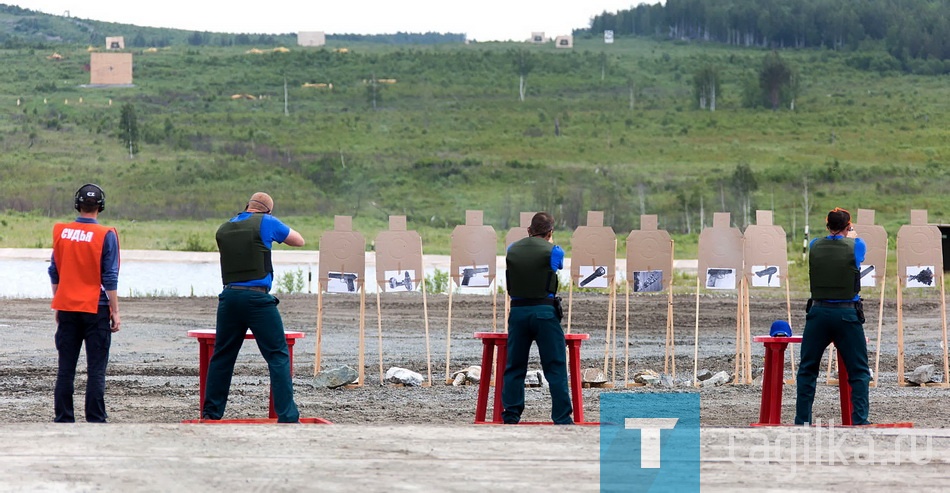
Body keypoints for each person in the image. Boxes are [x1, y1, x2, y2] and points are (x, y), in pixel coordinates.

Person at [202, 192, 305, 423]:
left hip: (228, 298)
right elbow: (298, 240)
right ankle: (287, 416)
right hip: (258, 300)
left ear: (247, 206)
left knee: (222, 357)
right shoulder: (267, 222)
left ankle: (211, 414)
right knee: (278, 356)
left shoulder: (224, 228)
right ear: (267, 210)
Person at [49, 183, 121, 423]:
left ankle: (63, 416)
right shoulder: (106, 234)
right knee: (96, 369)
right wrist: (115, 311)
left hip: (68, 307)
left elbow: (54, 271)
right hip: (96, 307)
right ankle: (95, 417)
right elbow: (109, 277)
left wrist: (58, 301)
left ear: (77, 204)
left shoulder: (61, 231)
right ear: (100, 206)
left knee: (66, 368)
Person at [795, 207, 871, 425]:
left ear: (827, 225)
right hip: (847, 314)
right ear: (848, 226)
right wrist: (852, 234)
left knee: (807, 370)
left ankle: (802, 421)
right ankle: (859, 421)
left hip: (817, 313)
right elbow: (859, 254)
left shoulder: (814, 245)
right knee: (858, 372)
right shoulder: (857, 245)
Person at [501, 212, 573, 424]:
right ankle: (561, 418)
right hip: (544, 312)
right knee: (555, 366)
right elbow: (557, 266)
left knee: (515, 366)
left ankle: (511, 415)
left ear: (529, 231)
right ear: (550, 232)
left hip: (518, 312)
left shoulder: (511, 249)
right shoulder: (554, 251)